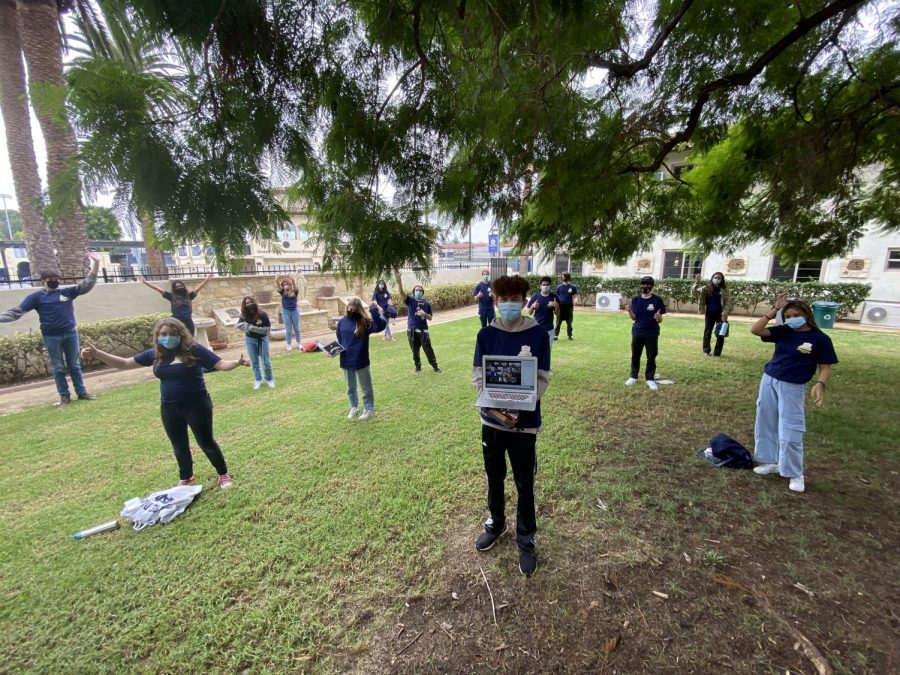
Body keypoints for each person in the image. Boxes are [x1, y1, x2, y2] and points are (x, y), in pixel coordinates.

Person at [81, 318, 248, 488]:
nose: (167, 338)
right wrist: (98, 353)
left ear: (180, 335)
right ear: (158, 336)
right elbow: (124, 363)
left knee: (206, 442)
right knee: (179, 445)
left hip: (197, 404)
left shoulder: (195, 350)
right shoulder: (155, 354)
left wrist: (236, 363)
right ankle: (186, 477)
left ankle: (223, 474)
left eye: (172, 334)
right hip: (169, 408)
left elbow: (220, 363)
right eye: (163, 334)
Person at [472, 275, 551, 577]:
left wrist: (521, 403)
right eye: (502, 300)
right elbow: (478, 374)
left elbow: (542, 377)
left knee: (524, 483)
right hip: (491, 422)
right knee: (494, 476)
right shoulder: (485, 335)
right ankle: (497, 522)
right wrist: (491, 401)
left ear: (523, 300)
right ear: (495, 301)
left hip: (524, 425)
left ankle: (526, 538)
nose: (508, 305)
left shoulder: (538, 334)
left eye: (514, 299)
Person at [750, 294, 837, 493]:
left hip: (793, 386)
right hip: (770, 379)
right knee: (766, 421)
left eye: (796, 315)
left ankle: (795, 472)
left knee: (791, 429)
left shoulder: (820, 339)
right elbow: (756, 330)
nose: (791, 319)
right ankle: (770, 461)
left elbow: (825, 366)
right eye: (787, 316)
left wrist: (820, 384)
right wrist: (774, 309)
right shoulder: (785, 331)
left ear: (806, 315)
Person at [0, 252, 101, 407]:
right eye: (50, 280)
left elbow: (87, 285)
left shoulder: (67, 292)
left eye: (56, 280)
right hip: (51, 337)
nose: (54, 282)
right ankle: (64, 397)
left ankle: (82, 393)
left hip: (70, 334)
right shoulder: (36, 297)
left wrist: (96, 264)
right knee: (58, 368)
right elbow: (16, 312)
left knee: (74, 365)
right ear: (43, 281)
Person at [337, 297, 387, 420]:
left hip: (360, 360)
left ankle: (369, 408)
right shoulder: (342, 322)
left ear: (358, 309)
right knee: (350, 387)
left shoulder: (365, 322)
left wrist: (373, 310)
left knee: (366, 387)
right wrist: (332, 351)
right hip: (346, 360)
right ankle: (353, 406)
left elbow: (381, 325)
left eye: (353, 308)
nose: (350, 310)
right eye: (349, 307)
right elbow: (340, 340)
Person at [626, 276, 666, 390]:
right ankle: (633, 376)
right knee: (635, 355)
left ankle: (650, 379)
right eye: (643, 284)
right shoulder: (635, 300)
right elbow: (634, 318)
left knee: (651, 356)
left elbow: (660, 320)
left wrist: (658, 317)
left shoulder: (657, 300)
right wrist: (629, 311)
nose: (645, 286)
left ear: (652, 286)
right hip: (637, 332)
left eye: (648, 284)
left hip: (652, 333)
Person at [139, 274, 212, 336]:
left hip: (188, 321)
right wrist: (145, 282)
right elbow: (158, 289)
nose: (179, 288)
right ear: (174, 288)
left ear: (183, 286)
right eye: (177, 287)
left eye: (180, 286)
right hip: (176, 322)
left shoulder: (189, 296)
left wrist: (207, 279)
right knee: (178, 338)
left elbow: (198, 288)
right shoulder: (171, 296)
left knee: (190, 338)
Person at [237, 296, 274, 389]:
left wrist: (252, 328)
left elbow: (266, 330)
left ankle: (269, 379)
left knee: (265, 361)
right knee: (254, 362)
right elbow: (238, 325)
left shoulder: (262, 314)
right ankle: (258, 379)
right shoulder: (244, 316)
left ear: (254, 303)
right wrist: (248, 327)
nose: (249, 304)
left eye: (250, 302)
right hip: (250, 340)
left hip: (262, 340)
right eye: (247, 303)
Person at [694, 271, 733, 357]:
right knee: (707, 332)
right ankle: (706, 351)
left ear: (722, 280)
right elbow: (695, 292)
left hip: (721, 314)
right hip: (709, 313)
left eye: (719, 278)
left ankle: (717, 352)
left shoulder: (725, 289)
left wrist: (725, 314)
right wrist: (697, 282)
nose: (717, 279)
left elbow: (728, 303)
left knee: (721, 333)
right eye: (715, 278)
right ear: (712, 278)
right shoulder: (707, 288)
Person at [405, 285, 441, 373]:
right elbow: (402, 292)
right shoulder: (411, 301)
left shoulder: (426, 304)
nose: (418, 292)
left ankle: (435, 366)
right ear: (413, 292)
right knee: (415, 350)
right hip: (412, 330)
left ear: (423, 293)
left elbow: (430, 318)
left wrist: (424, 314)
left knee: (428, 349)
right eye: (417, 290)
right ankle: (418, 367)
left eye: (420, 290)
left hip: (423, 331)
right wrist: (399, 281)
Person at [527, 276, 559, 351]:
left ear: (550, 285)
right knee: (535, 349)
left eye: (547, 285)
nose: (545, 286)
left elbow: (557, 314)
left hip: (549, 329)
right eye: (543, 285)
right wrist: (533, 306)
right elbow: (529, 313)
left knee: (547, 351)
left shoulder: (554, 297)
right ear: (540, 286)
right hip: (536, 328)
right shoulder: (535, 297)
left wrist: (556, 306)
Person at [277, 276, 302, 351]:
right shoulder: (283, 292)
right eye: (284, 285)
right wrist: (276, 280)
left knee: (297, 328)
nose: (285, 286)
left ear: (290, 285)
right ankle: (289, 344)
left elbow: (295, 287)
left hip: (294, 311)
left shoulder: (294, 291)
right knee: (288, 330)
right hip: (286, 312)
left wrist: (293, 280)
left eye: (286, 284)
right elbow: (279, 286)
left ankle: (299, 343)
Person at [554, 272, 578, 340]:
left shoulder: (573, 287)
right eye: (562, 277)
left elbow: (575, 296)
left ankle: (569, 336)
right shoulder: (559, 287)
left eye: (564, 276)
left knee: (569, 322)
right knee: (558, 322)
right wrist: (556, 306)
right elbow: (556, 296)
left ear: (567, 277)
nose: (562, 278)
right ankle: (556, 336)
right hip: (560, 307)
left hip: (569, 307)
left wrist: (575, 301)